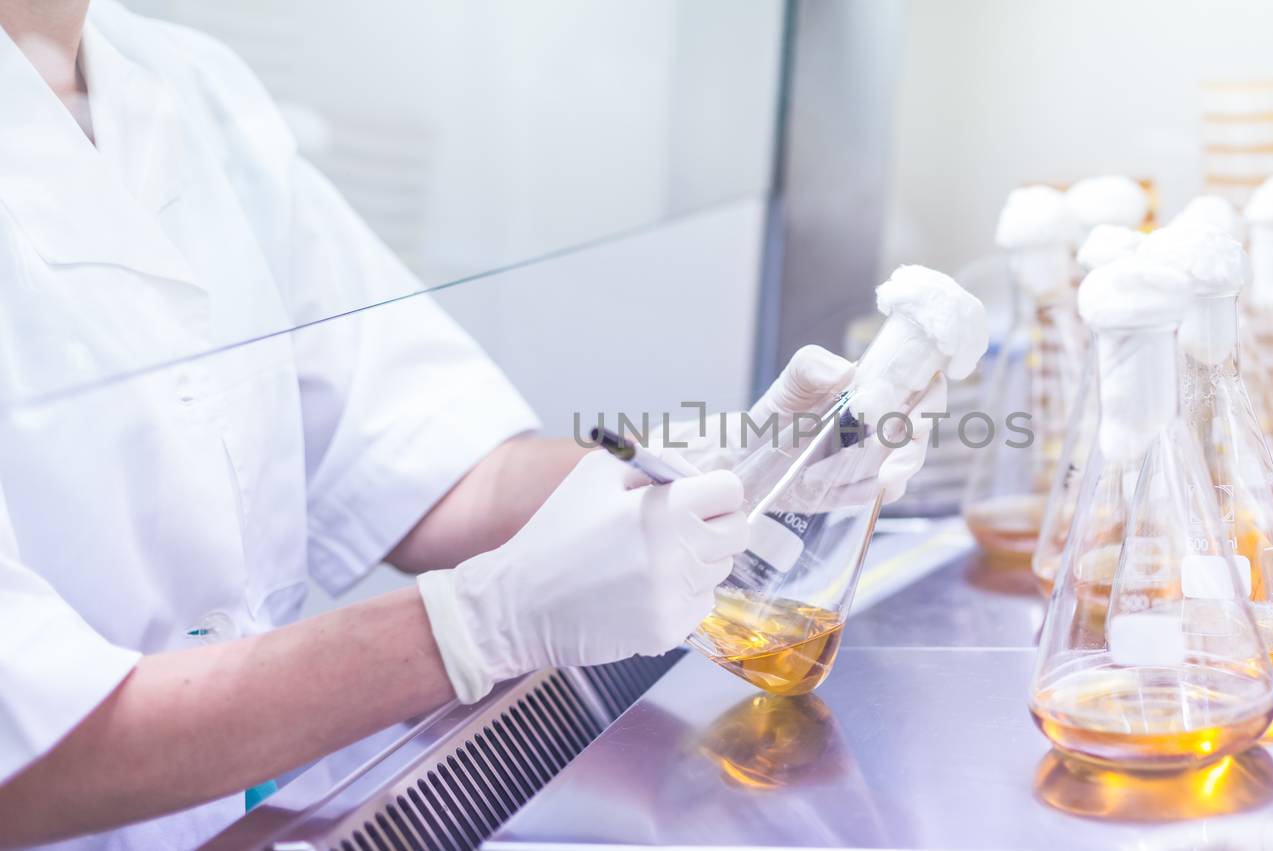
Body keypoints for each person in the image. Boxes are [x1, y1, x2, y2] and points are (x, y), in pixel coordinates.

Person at [0, 2, 942, 848]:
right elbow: (24, 760)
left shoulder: (188, 87)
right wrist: (473, 625)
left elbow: (440, 469)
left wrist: (754, 464)